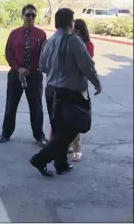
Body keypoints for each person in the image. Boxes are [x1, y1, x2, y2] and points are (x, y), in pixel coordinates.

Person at [30, 8, 102, 177]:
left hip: (51, 90)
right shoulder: (74, 41)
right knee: (71, 130)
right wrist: (97, 83)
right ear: (71, 21)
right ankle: (40, 159)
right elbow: (87, 65)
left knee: (58, 129)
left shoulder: (49, 41)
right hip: (69, 93)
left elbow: (44, 66)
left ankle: (61, 164)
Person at [0, 4, 48, 147]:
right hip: (15, 75)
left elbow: (42, 56)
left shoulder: (41, 35)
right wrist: (18, 68)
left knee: (36, 107)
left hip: (34, 75)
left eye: (33, 15)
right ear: (22, 16)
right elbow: (8, 53)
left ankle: (39, 136)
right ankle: (5, 133)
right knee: (11, 105)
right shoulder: (14, 34)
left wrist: (29, 70)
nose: (30, 18)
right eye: (28, 15)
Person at [48, 18, 94, 162]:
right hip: (63, 86)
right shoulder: (65, 42)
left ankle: (77, 148)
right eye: (73, 30)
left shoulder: (87, 45)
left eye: (77, 31)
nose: (73, 33)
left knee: (76, 119)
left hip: (79, 88)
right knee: (60, 118)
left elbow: (85, 66)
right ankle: (62, 145)